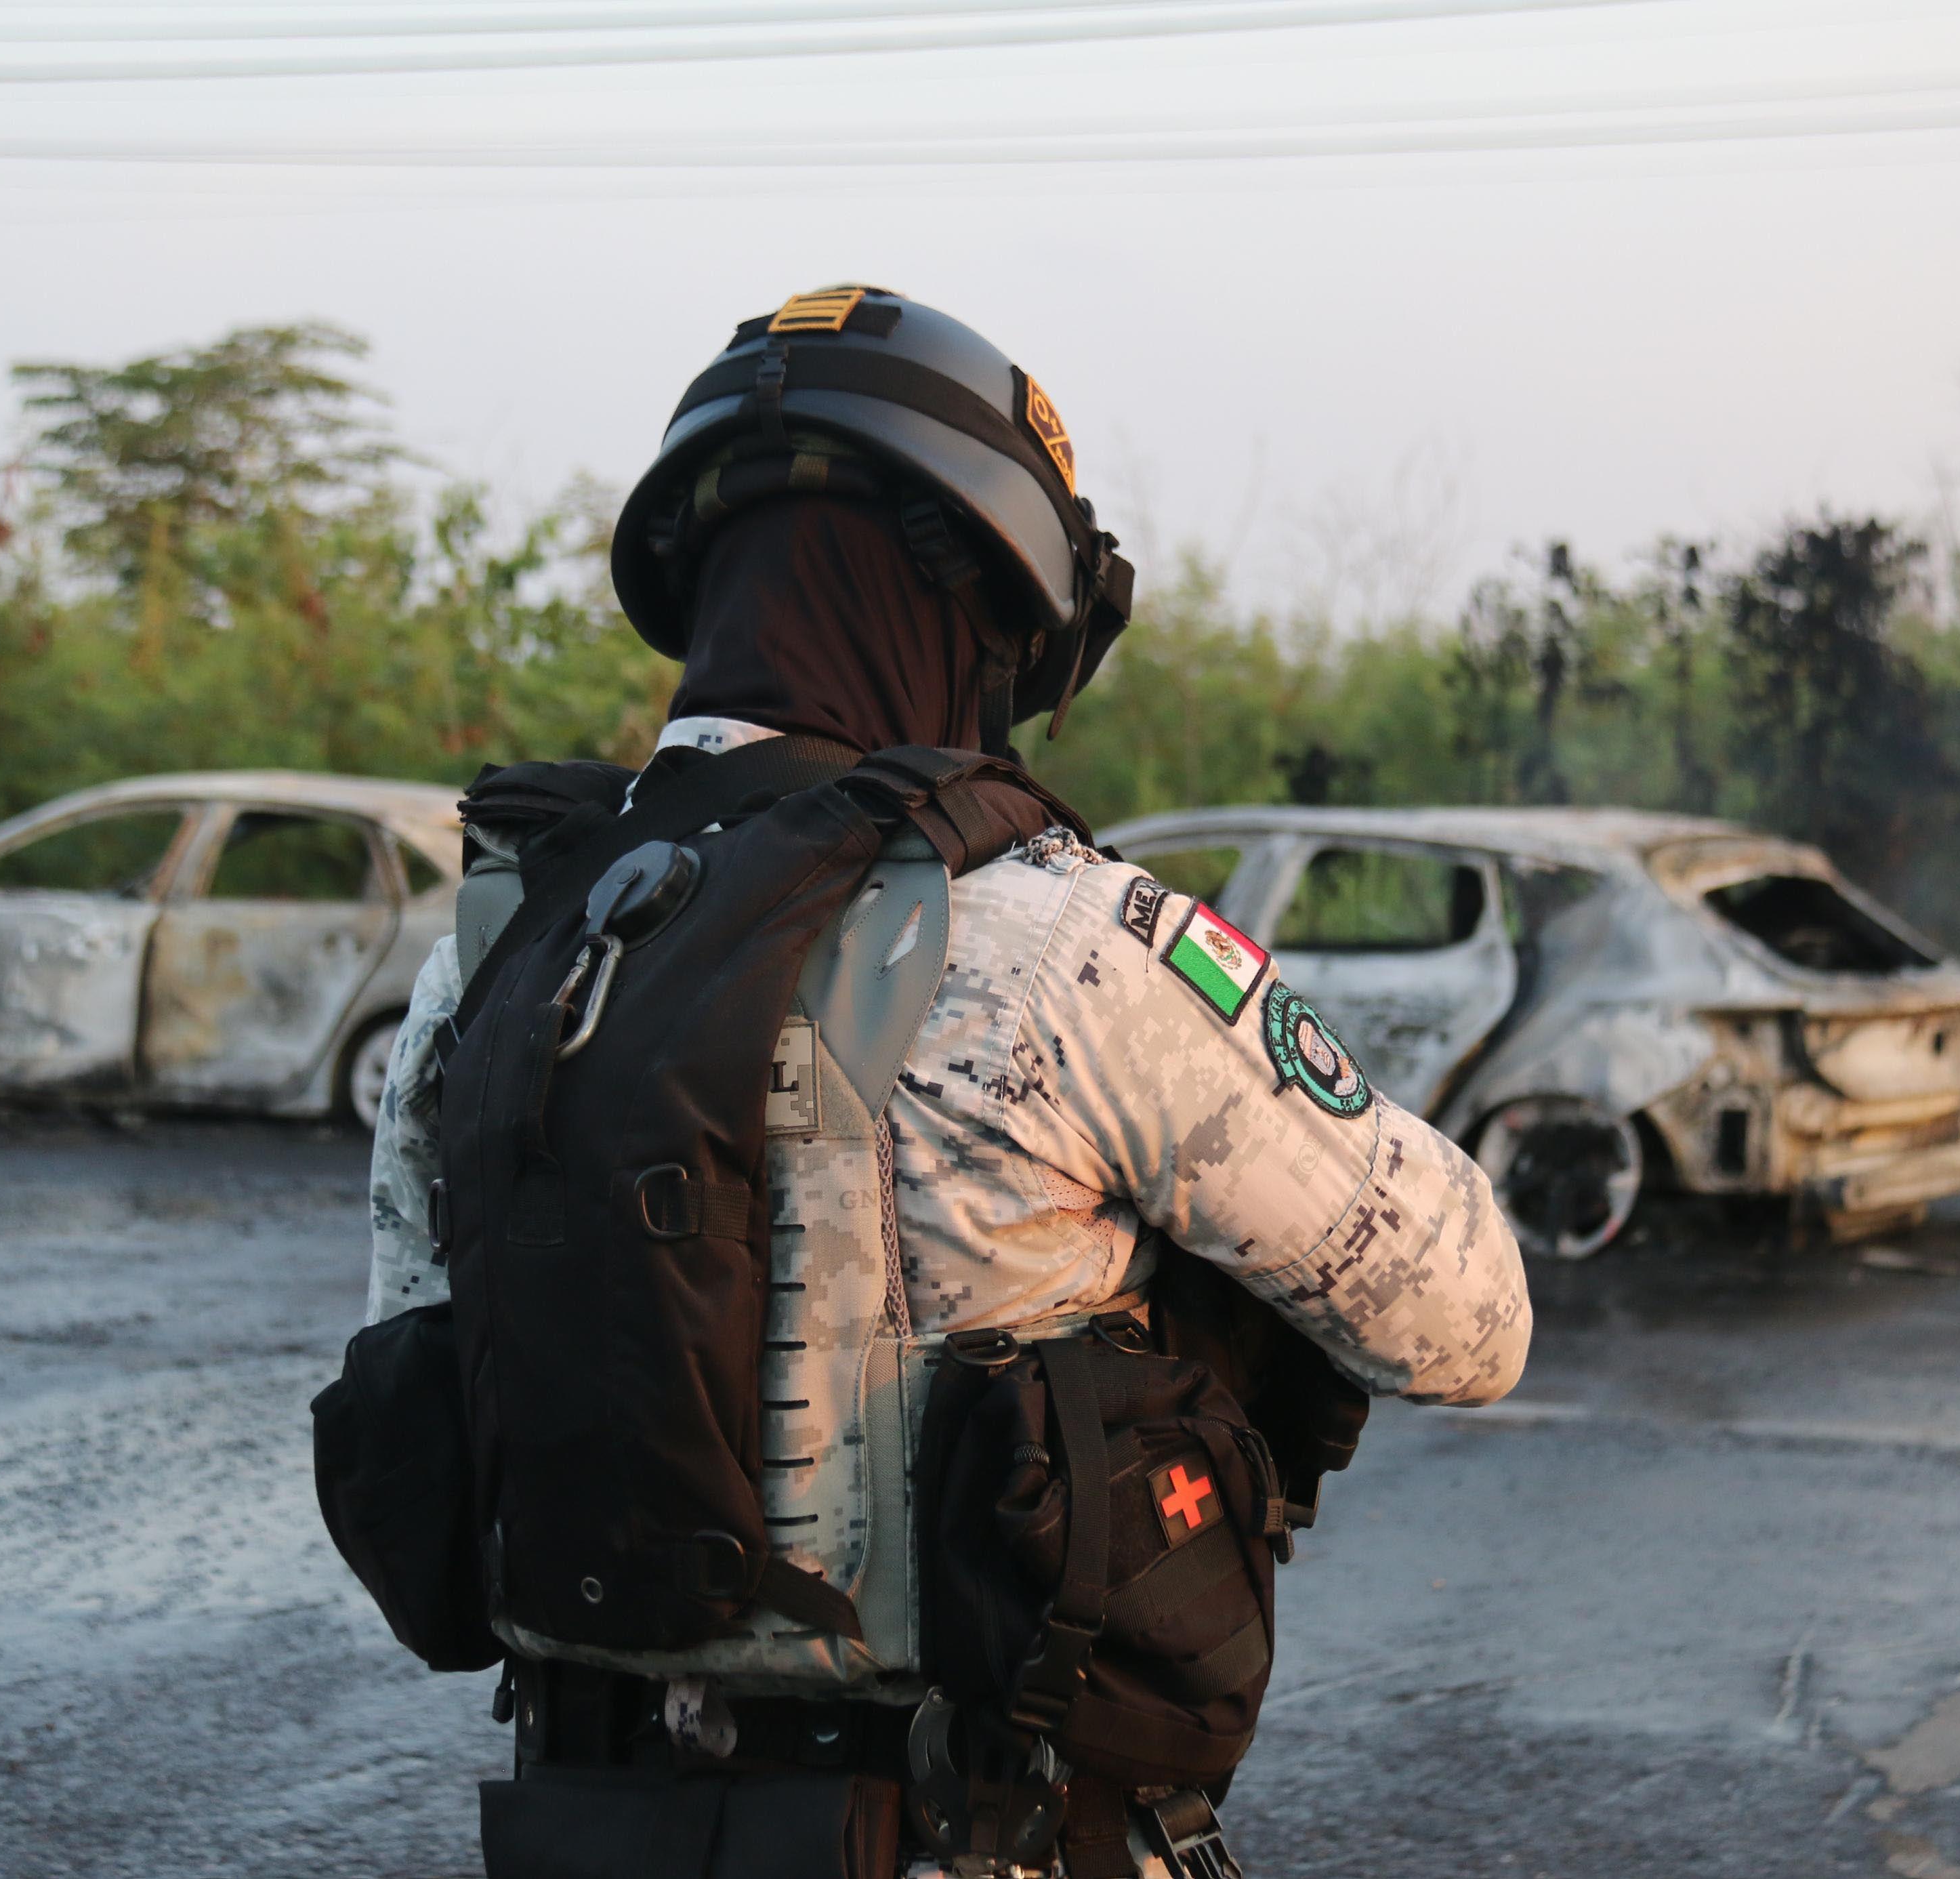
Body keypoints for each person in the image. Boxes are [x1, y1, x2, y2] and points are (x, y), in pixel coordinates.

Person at [355, 287, 1529, 1876]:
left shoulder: (497, 951)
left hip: (586, 1823)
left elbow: (420, 1388)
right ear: (991, 604)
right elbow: (1467, 1322)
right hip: (983, 1827)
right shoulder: (1069, 943)